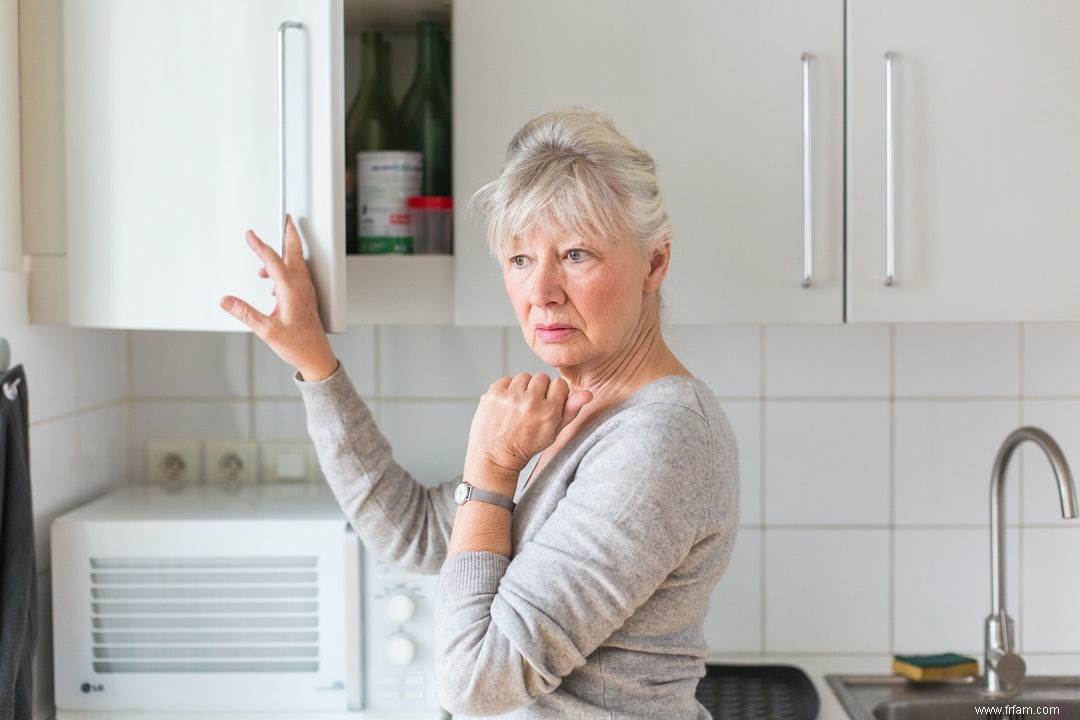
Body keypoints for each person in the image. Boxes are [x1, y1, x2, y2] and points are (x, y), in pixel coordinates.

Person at [220, 107, 739, 719]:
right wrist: (314, 360)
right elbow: (410, 531)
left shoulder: (662, 438)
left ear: (654, 262)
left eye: (575, 254)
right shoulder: (577, 410)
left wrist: (491, 469)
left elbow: (475, 685)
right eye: (520, 259)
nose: (540, 291)